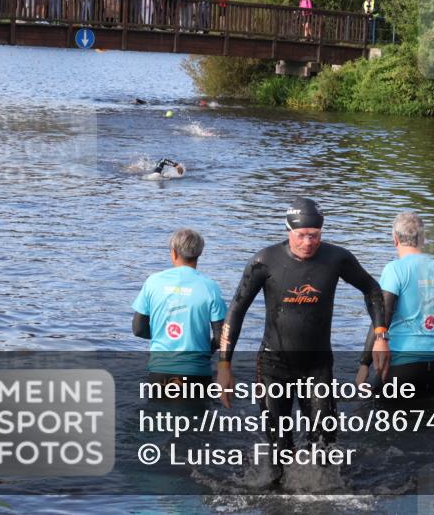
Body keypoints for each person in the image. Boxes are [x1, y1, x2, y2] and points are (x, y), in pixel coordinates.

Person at [216, 198, 389, 483]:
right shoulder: (264, 261)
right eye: (301, 235)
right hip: (273, 365)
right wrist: (225, 365)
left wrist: (380, 335)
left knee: (323, 446)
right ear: (288, 231)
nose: (308, 242)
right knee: (278, 450)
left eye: (315, 236)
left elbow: (372, 289)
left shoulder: (337, 259)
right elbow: (235, 310)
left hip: (317, 365)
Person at [356, 212, 434, 400]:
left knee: (387, 421)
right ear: (423, 239)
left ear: (395, 239)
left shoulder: (394, 269)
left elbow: (382, 317)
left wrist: (364, 364)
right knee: (426, 419)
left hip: (400, 363)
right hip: (432, 364)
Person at [132, 228, 227, 399]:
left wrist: (162, 337)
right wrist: (208, 348)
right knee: (198, 422)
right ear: (199, 254)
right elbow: (222, 336)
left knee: (159, 421)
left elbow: (138, 329)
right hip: (197, 372)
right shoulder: (210, 287)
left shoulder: (153, 282)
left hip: (160, 371)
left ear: (174, 253)